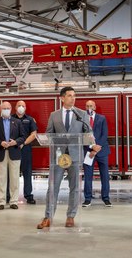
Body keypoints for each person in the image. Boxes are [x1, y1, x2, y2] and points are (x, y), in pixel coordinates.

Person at [37, 86, 93, 229]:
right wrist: (48, 139)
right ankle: (48, 217)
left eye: (74, 95)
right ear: (62, 98)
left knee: (74, 188)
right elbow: (49, 134)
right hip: (58, 157)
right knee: (52, 187)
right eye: (69, 95)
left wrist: (91, 140)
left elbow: (88, 133)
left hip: (75, 156)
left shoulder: (81, 114)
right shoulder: (54, 115)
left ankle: (71, 217)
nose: (73, 98)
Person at [0, 102, 25, 210]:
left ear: (11, 109)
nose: (6, 110)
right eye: (4, 108)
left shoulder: (17, 122)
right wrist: (0, 143)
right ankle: (1, 202)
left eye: (8, 108)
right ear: (0, 109)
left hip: (14, 152)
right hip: (1, 153)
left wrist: (16, 142)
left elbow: (23, 137)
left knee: (14, 178)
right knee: (1, 179)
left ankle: (14, 201)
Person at [82, 100, 111, 207]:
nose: (89, 107)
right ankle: (87, 199)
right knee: (88, 176)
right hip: (88, 152)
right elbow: (82, 135)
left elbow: (105, 134)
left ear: (95, 107)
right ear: (85, 107)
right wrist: (91, 147)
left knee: (105, 176)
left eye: (91, 106)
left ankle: (106, 198)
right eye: (87, 106)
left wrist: (96, 148)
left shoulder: (102, 118)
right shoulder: (82, 119)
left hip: (102, 151)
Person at [12, 100, 38, 204]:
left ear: (25, 108)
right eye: (19, 105)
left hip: (26, 149)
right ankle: (10, 196)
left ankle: (28, 195)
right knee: (12, 173)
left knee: (27, 172)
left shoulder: (30, 119)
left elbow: (33, 134)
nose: (21, 107)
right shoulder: (10, 119)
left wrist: (23, 143)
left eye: (23, 106)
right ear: (15, 107)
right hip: (13, 148)